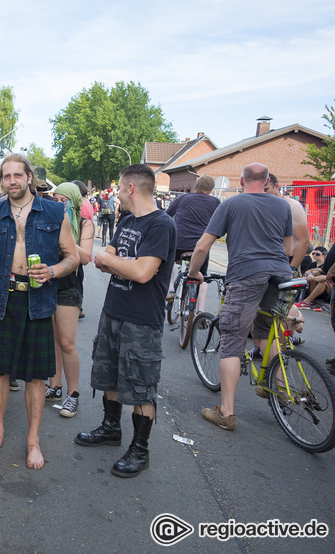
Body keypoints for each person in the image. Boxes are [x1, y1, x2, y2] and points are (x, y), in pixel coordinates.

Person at [0, 153, 79, 469]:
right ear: (2, 180)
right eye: (6, 176)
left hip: (38, 302)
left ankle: (33, 440)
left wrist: (53, 271)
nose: (12, 181)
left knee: (36, 377)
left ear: (29, 177)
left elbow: (73, 258)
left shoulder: (56, 212)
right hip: (1, 299)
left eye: (17, 175)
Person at [74, 164, 176, 478]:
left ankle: (140, 451)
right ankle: (110, 427)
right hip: (113, 310)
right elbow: (109, 255)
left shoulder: (161, 225)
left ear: (130, 188)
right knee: (109, 374)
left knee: (141, 386)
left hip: (141, 320)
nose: (117, 193)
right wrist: (118, 262)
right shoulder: (128, 219)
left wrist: (112, 261)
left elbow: (143, 273)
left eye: (119, 188)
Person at [187, 163, 292, 432]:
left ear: (242, 182)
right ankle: (277, 388)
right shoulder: (283, 206)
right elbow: (289, 247)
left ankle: (226, 412)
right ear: (267, 180)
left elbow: (203, 244)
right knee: (267, 330)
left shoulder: (231, 204)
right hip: (280, 275)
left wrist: (194, 272)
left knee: (233, 339)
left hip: (247, 275)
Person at [44, 182, 95, 417]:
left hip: (69, 287)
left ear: (74, 202)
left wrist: (63, 233)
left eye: (63, 200)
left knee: (66, 342)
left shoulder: (85, 224)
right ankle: (55, 387)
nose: (58, 204)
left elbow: (84, 258)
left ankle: (73, 395)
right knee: (52, 340)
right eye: (55, 200)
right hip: (47, 283)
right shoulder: (48, 218)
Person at [164, 175, 221, 310]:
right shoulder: (215, 202)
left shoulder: (182, 197)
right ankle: (200, 311)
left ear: (196, 187)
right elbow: (220, 225)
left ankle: (171, 289)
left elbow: (166, 215)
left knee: (168, 261)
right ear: (211, 189)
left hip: (179, 243)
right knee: (203, 278)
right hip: (201, 246)